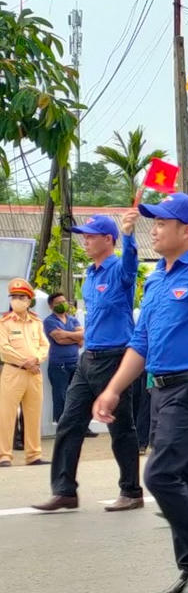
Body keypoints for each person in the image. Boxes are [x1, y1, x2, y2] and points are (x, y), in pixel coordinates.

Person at [92, 193, 188, 593]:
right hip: (161, 388)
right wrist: (113, 389)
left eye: (162, 223)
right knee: (182, 478)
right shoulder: (156, 276)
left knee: (158, 475)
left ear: (186, 230)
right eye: (153, 222)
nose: (154, 229)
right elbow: (140, 342)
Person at [33, 214, 145, 510]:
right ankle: (65, 490)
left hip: (115, 358)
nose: (85, 240)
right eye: (84, 235)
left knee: (121, 427)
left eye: (91, 235)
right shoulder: (91, 275)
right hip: (88, 358)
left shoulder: (119, 270)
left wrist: (130, 234)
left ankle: (131, 492)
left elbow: (131, 263)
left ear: (108, 239)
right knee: (70, 423)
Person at [0, 278, 50, 466]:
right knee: (6, 414)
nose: (17, 300)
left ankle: (33, 454)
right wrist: (26, 362)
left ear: (29, 300)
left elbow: (44, 345)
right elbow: (4, 348)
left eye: (21, 297)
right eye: (13, 297)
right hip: (13, 372)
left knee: (33, 413)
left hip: (34, 372)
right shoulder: (4, 323)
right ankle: (4, 456)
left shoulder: (36, 322)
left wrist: (36, 359)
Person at [43, 291, 82, 425]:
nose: (63, 304)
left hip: (75, 363)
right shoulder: (49, 321)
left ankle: (79, 425)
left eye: (64, 301)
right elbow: (59, 340)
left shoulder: (73, 319)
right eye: (58, 303)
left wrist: (65, 334)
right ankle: (63, 425)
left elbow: (82, 338)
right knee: (60, 396)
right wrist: (75, 337)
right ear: (51, 306)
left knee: (77, 396)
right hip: (59, 365)